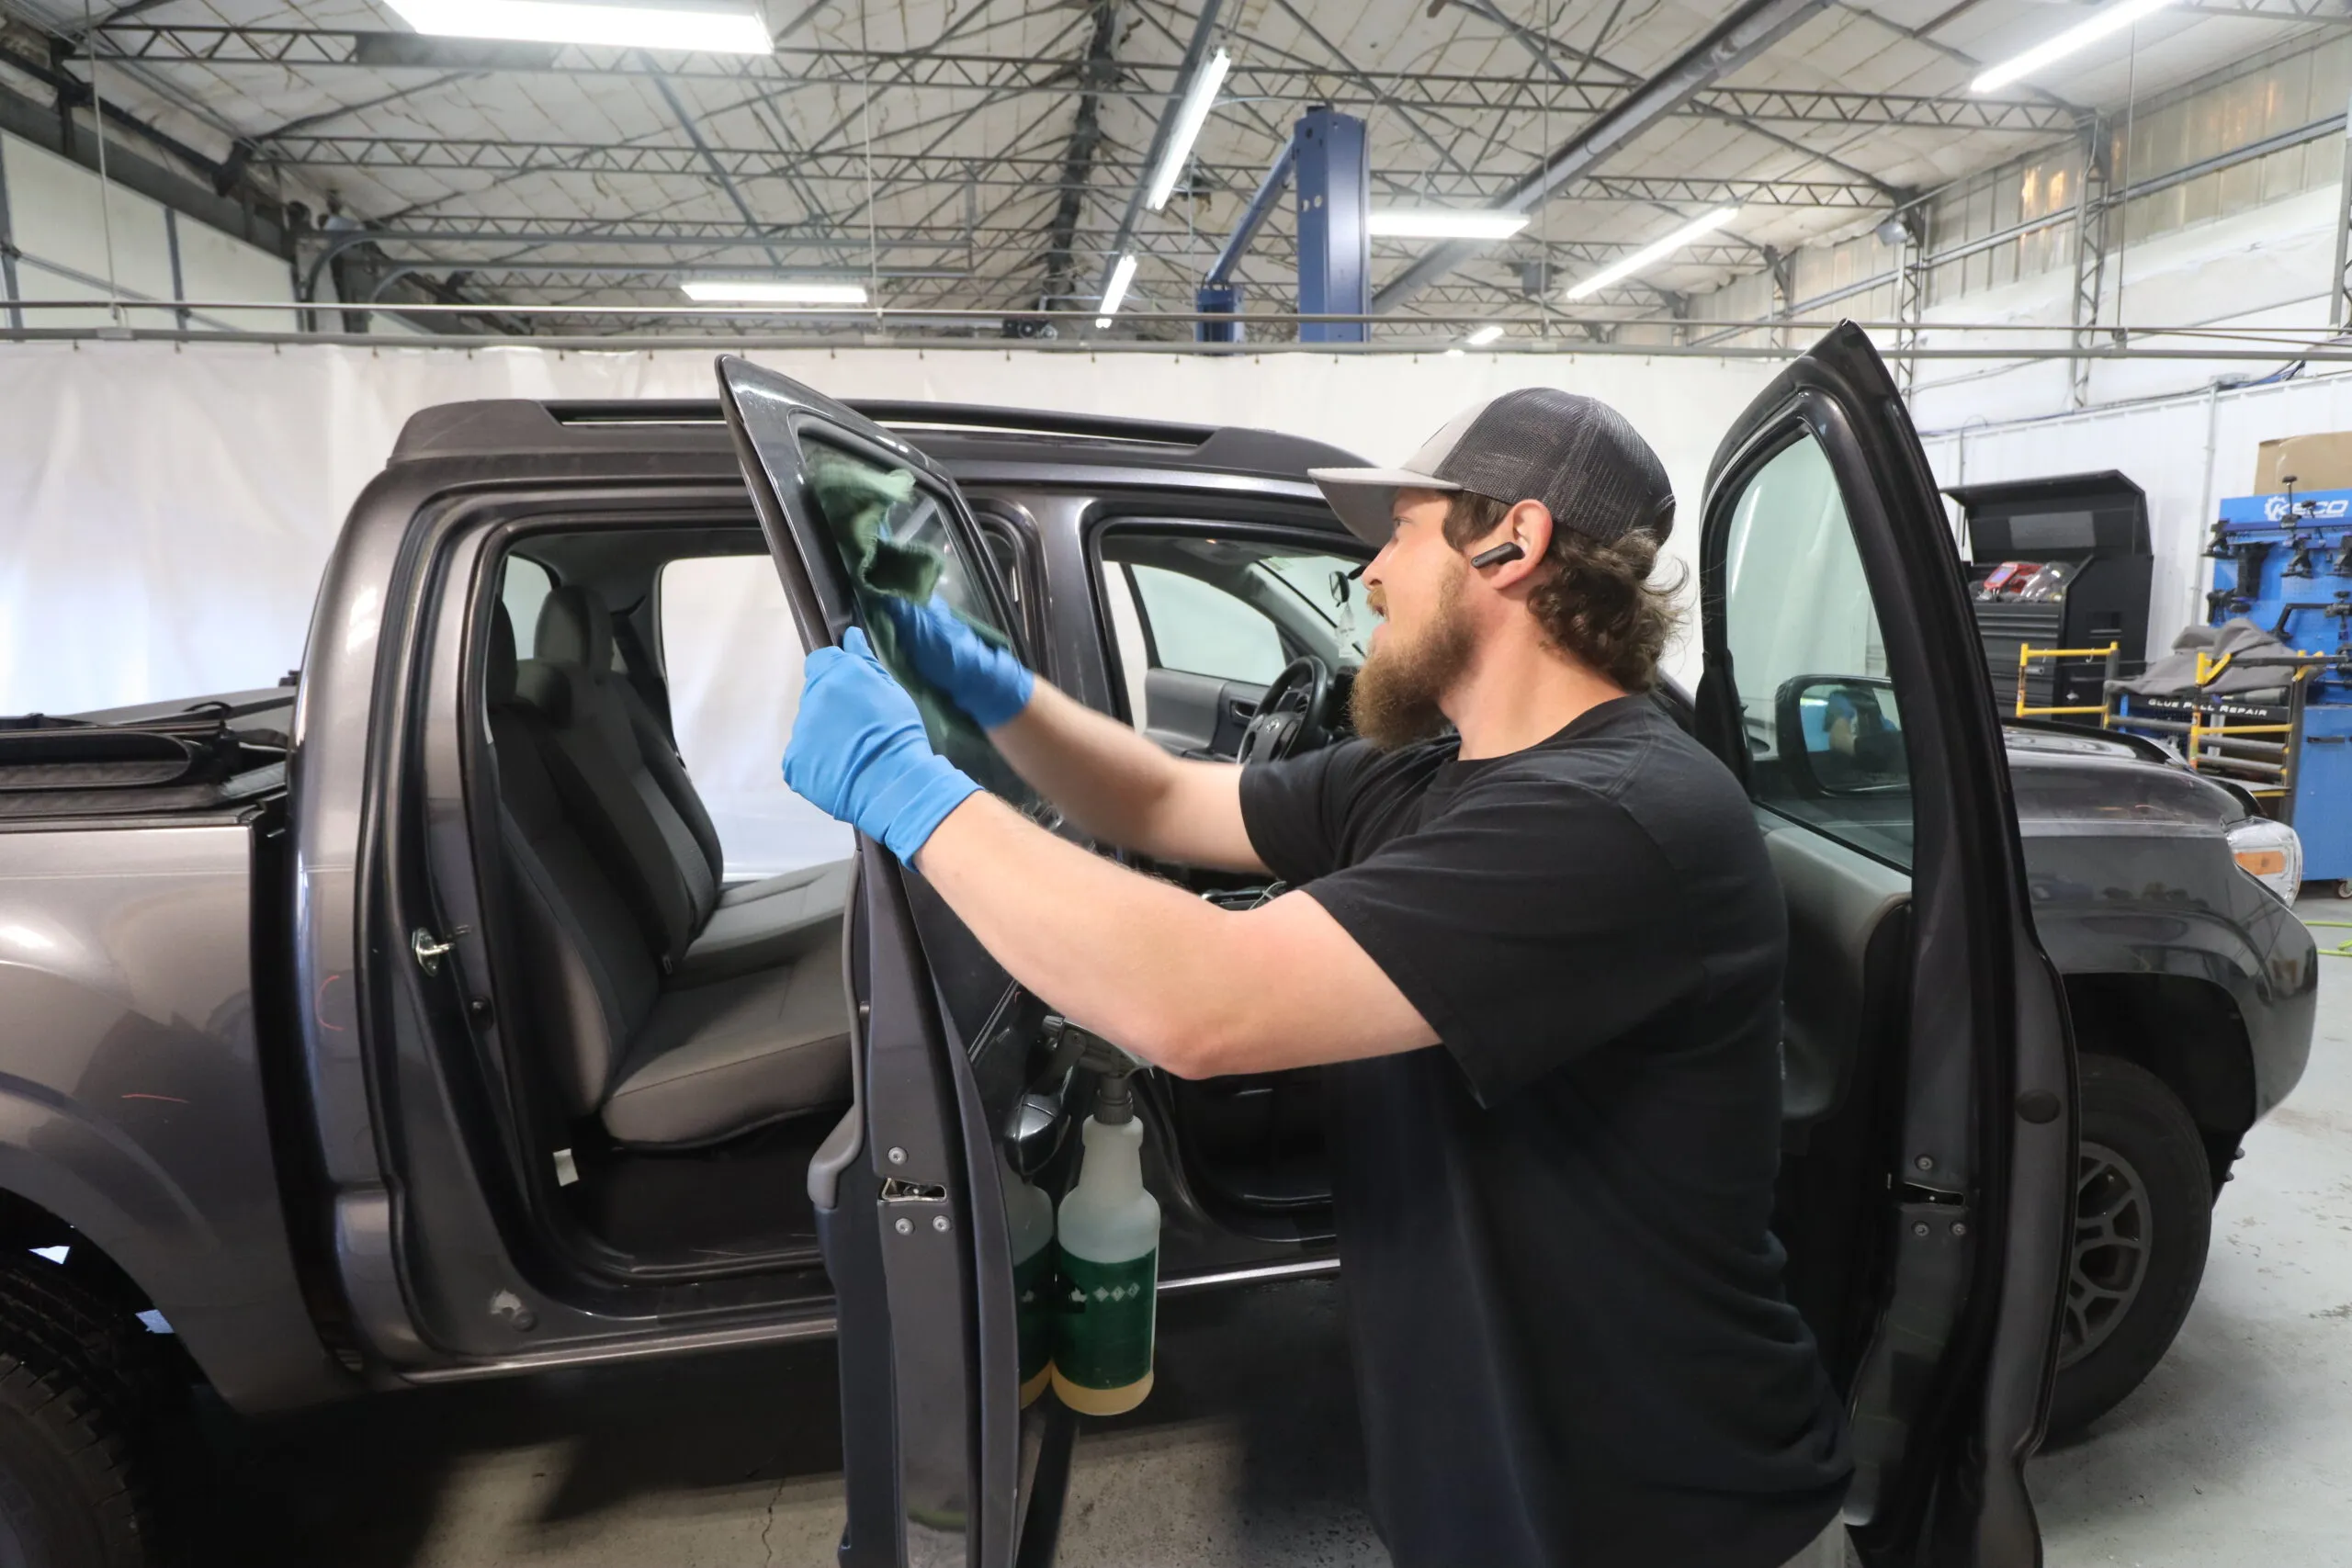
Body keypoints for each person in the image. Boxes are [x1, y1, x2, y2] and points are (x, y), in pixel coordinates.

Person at [780, 389, 1852, 1568]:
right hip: (1505, 1495)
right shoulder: (1431, 779)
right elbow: (1160, 799)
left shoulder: (1617, 816)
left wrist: (909, 789)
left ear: (1513, 543)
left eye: (1398, 531)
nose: (1370, 574)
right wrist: (989, 691)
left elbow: (1205, 1005)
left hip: (1667, 1515)